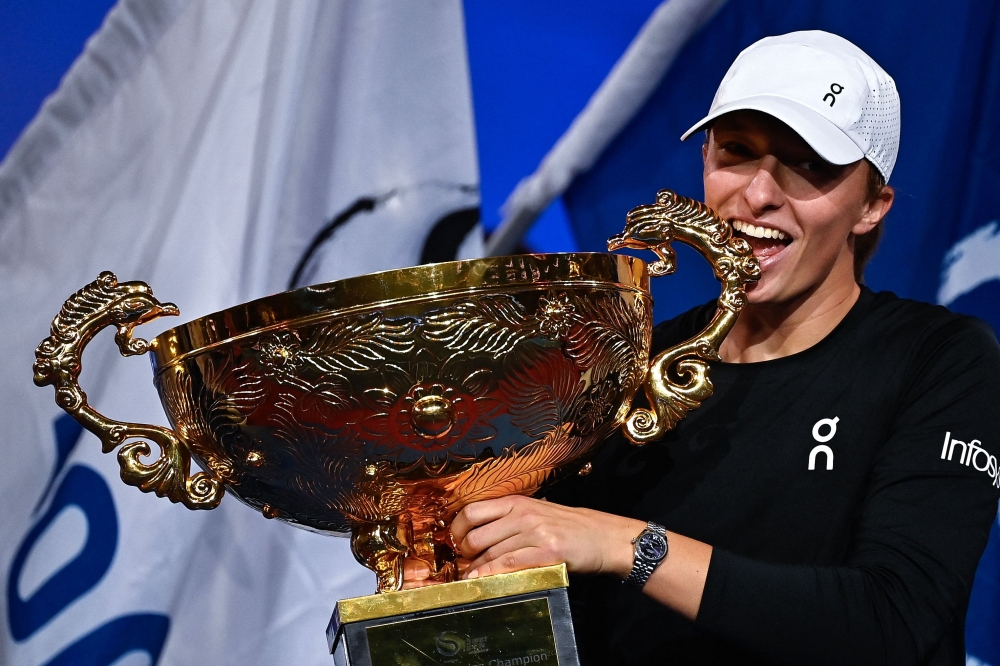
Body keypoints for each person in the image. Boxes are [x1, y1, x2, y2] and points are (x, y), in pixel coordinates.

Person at [405, 31, 1000, 664]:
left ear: (871, 206)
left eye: (809, 165)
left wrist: (628, 545)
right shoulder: (619, 366)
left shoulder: (940, 360)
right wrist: (452, 588)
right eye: (738, 152)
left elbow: (894, 624)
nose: (760, 193)